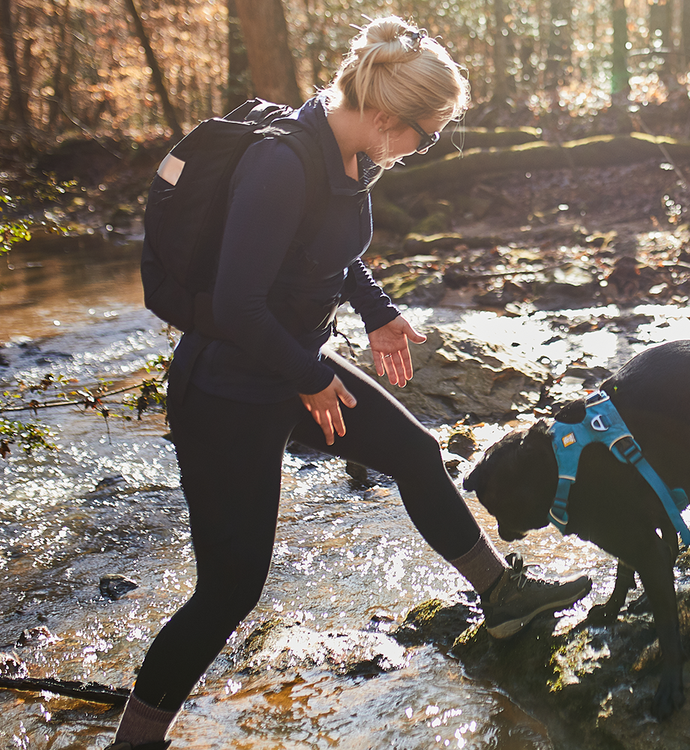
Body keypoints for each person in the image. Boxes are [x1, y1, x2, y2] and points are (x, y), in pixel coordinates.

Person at [108, 17, 591, 749]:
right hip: (227, 393)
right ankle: (136, 741)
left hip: (288, 370)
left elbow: (330, 251)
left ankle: (502, 596)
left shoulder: (346, 153)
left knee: (417, 454)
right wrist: (308, 377)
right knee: (230, 590)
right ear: (389, 117)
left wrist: (377, 312)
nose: (424, 150)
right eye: (426, 136)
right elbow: (238, 302)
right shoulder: (281, 164)